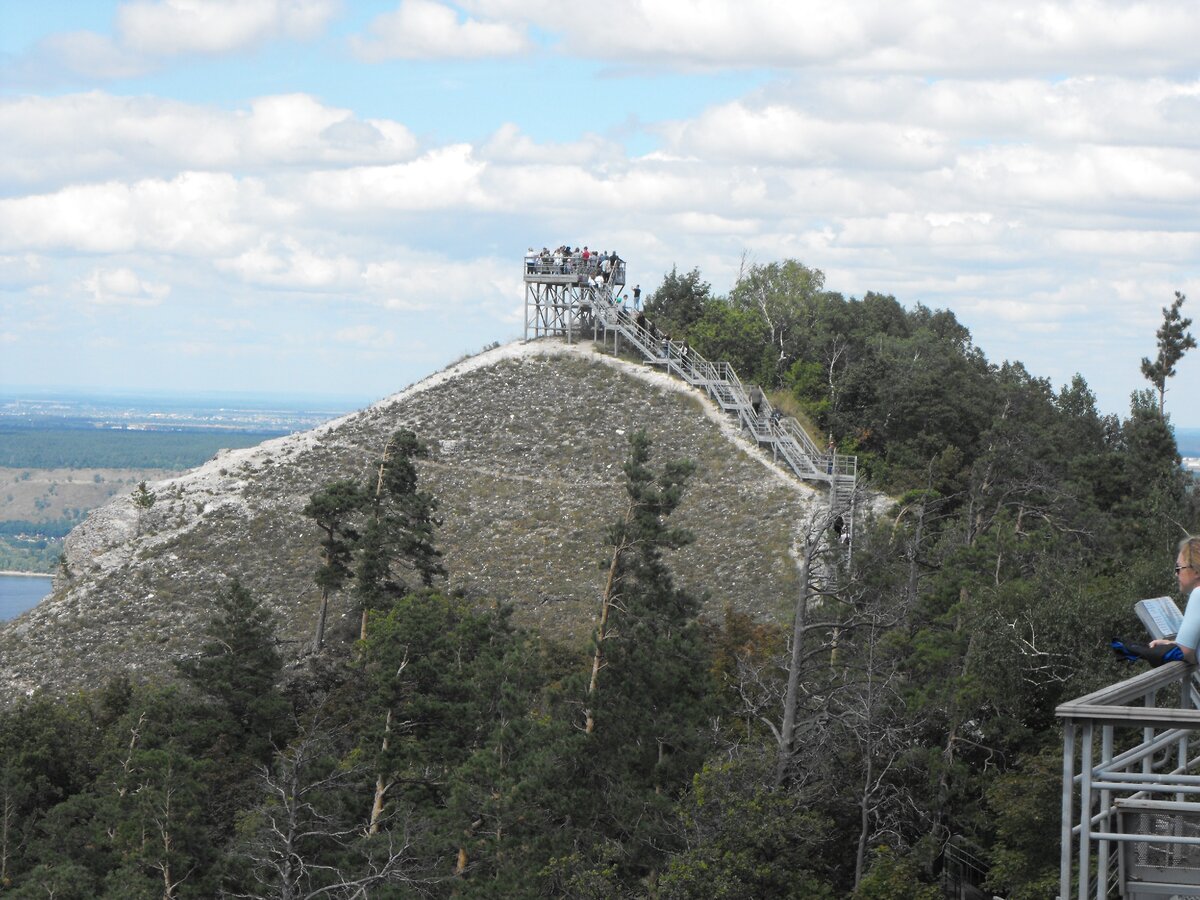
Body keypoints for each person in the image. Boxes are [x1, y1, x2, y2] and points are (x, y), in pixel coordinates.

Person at [1150, 536, 1200, 664]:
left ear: (1196, 572)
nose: (1176, 573)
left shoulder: (1198, 594)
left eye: (1178, 568)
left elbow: (1184, 652)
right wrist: (1170, 643)